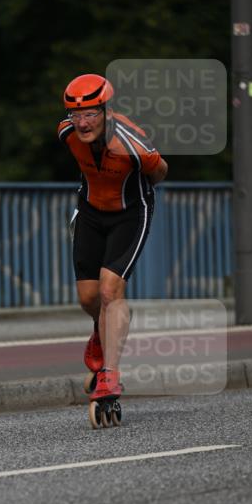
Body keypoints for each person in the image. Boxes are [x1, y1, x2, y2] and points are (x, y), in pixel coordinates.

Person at [58, 73, 168, 406]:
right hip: (91, 212)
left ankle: (110, 375)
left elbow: (160, 171)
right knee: (89, 298)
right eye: (75, 114)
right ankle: (99, 331)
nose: (82, 122)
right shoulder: (66, 134)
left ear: (106, 110)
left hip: (130, 213)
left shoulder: (132, 144)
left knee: (110, 289)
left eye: (90, 113)